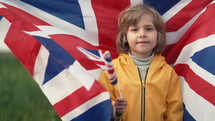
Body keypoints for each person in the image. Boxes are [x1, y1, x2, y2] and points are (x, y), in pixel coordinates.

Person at [99, 4, 184, 121]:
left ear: (158, 35)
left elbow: (174, 112)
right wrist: (115, 111)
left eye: (148, 29)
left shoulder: (168, 73)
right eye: (134, 29)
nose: (142, 34)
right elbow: (101, 107)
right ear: (125, 36)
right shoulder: (111, 70)